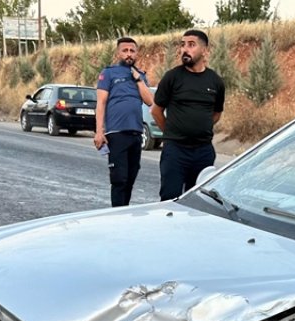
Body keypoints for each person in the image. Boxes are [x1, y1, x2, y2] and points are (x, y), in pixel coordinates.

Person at [152, 30, 225, 201]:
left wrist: (199, 128)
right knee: (170, 199)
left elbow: (216, 113)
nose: (185, 49)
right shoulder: (172, 77)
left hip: (203, 151)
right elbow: (156, 111)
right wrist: (171, 133)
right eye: (183, 44)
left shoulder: (215, 81)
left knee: (198, 201)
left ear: (205, 50)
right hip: (175, 151)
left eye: (191, 44)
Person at [94, 37, 154, 207]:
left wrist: (137, 79)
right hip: (116, 133)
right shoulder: (109, 73)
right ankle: (116, 214)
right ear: (118, 53)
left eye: (132, 51)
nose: (128, 54)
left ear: (137, 53)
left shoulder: (140, 75)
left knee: (130, 178)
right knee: (119, 179)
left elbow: (150, 101)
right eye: (125, 50)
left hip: (136, 133)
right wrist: (99, 131)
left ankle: (124, 212)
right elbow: (101, 103)